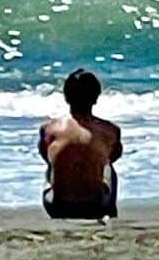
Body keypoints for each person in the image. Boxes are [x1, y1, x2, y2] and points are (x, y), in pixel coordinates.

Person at [39, 69, 122, 219]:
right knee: (109, 169)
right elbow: (113, 157)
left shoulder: (49, 129)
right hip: (96, 206)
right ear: (96, 98)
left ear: (66, 97)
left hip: (57, 207)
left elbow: (45, 156)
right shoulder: (110, 131)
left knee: (52, 165)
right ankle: (111, 212)